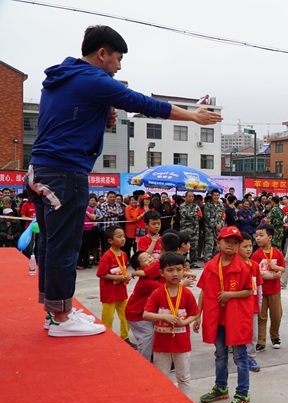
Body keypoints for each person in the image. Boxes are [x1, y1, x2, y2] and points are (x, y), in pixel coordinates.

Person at [26, 25, 221, 336]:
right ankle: (62, 318)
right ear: (102, 54)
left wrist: (100, 117)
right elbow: (142, 102)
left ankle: (54, 311)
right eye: (117, 59)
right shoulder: (93, 78)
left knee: (52, 243)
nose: (118, 67)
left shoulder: (62, 78)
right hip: (64, 172)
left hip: (41, 169)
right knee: (65, 246)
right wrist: (192, 116)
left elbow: (68, 119)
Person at [196, 226, 253, 403]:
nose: (231, 244)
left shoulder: (244, 268)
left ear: (239, 247)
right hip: (217, 317)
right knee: (220, 355)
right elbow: (204, 291)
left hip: (235, 318)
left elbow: (249, 291)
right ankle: (221, 387)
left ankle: (243, 394)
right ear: (218, 242)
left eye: (235, 242)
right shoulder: (210, 266)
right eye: (227, 240)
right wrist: (198, 314)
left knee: (240, 357)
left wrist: (230, 294)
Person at [143, 251, 198, 394]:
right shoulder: (157, 293)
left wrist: (185, 322)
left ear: (184, 271)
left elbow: (195, 314)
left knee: (183, 376)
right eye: (170, 270)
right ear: (161, 273)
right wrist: (164, 318)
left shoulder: (186, 293)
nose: (175, 274)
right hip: (161, 344)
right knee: (161, 376)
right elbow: (146, 315)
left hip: (182, 343)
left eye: (179, 270)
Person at [95, 225, 134, 345]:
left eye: (123, 236)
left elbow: (122, 269)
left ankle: (124, 337)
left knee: (127, 316)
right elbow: (101, 274)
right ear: (110, 241)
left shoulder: (123, 254)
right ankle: (107, 340)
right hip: (109, 292)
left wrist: (125, 276)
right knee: (108, 318)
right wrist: (117, 277)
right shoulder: (107, 256)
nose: (123, 239)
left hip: (121, 291)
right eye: (119, 236)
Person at [252, 224, 286, 352]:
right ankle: (261, 341)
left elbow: (283, 268)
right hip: (261, 291)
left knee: (276, 315)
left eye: (261, 235)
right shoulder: (256, 255)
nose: (258, 238)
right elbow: (257, 274)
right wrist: (273, 276)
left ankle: (275, 336)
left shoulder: (277, 253)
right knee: (261, 317)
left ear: (270, 237)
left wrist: (278, 269)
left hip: (275, 291)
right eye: (257, 236)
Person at [125, 251, 161, 361]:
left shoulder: (152, 276)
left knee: (150, 336)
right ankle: (144, 361)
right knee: (147, 337)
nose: (150, 259)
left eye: (150, 257)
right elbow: (164, 291)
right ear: (138, 269)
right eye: (145, 260)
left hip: (143, 313)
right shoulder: (146, 281)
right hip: (137, 315)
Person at [238, 232, 263, 373]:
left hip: (251, 306)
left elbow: (259, 287)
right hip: (237, 306)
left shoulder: (254, 265)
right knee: (237, 331)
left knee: (252, 333)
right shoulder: (232, 265)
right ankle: (239, 354)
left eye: (250, 246)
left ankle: (251, 356)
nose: (248, 249)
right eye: (244, 246)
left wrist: (258, 304)